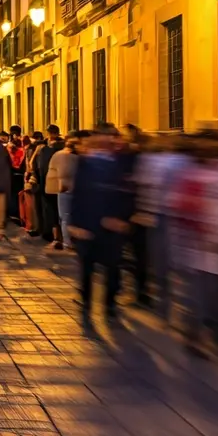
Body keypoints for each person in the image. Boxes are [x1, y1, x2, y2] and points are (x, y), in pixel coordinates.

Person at [67, 125, 135, 330]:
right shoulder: (85, 162)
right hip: (88, 223)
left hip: (112, 224)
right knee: (87, 267)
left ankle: (110, 303)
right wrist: (76, 223)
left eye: (110, 136)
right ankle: (87, 301)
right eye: (103, 136)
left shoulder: (120, 162)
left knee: (113, 267)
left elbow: (127, 192)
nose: (107, 140)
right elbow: (78, 193)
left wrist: (123, 218)